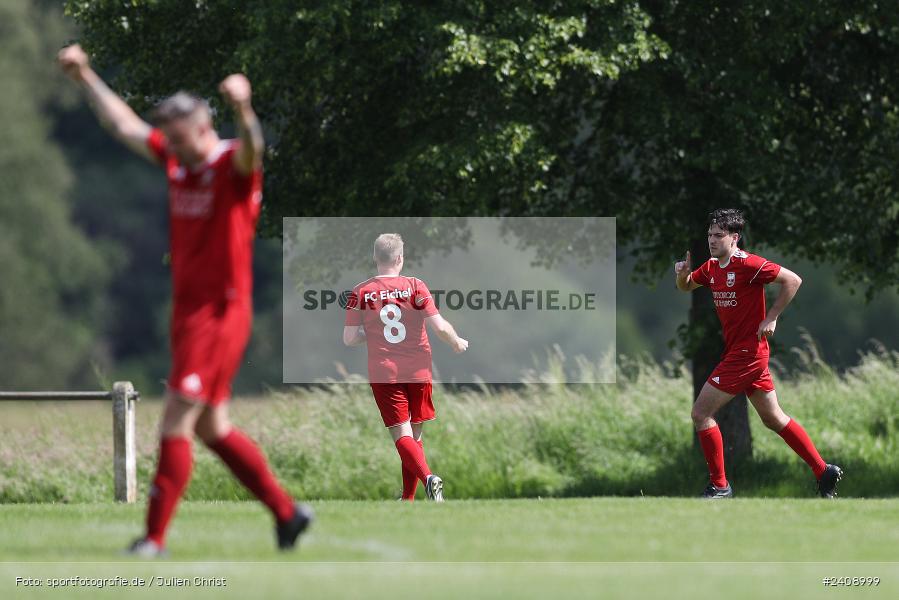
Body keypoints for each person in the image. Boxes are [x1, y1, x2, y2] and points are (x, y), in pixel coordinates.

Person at [57, 44, 312, 556]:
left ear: (204, 128)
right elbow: (125, 127)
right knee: (213, 427)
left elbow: (252, 150)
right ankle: (288, 514)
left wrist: (243, 108)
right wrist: (84, 77)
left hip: (220, 312)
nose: (175, 150)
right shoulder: (178, 159)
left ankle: (153, 539)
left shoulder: (230, 168)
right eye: (169, 142)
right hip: (189, 311)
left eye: (182, 139)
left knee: (175, 418)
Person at [674, 208, 842, 499]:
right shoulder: (712, 267)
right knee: (774, 418)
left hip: (747, 354)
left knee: (701, 413)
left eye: (718, 235)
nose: (712, 240)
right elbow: (686, 287)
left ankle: (720, 486)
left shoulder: (749, 264)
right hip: (745, 353)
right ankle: (822, 470)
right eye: (710, 234)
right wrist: (683, 274)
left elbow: (793, 280)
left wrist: (772, 316)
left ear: (735, 238)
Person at [343, 234, 468, 501]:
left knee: (402, 436)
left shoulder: (360, 291)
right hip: (419, 369)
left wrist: (373, 334)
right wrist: (456, 342)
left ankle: (428, 479)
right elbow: (440, 327)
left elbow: (350, 338)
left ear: (375, 258)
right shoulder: (415, 285)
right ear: (400, 258)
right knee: (415, 437)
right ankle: (408, 499)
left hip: (385, 371)